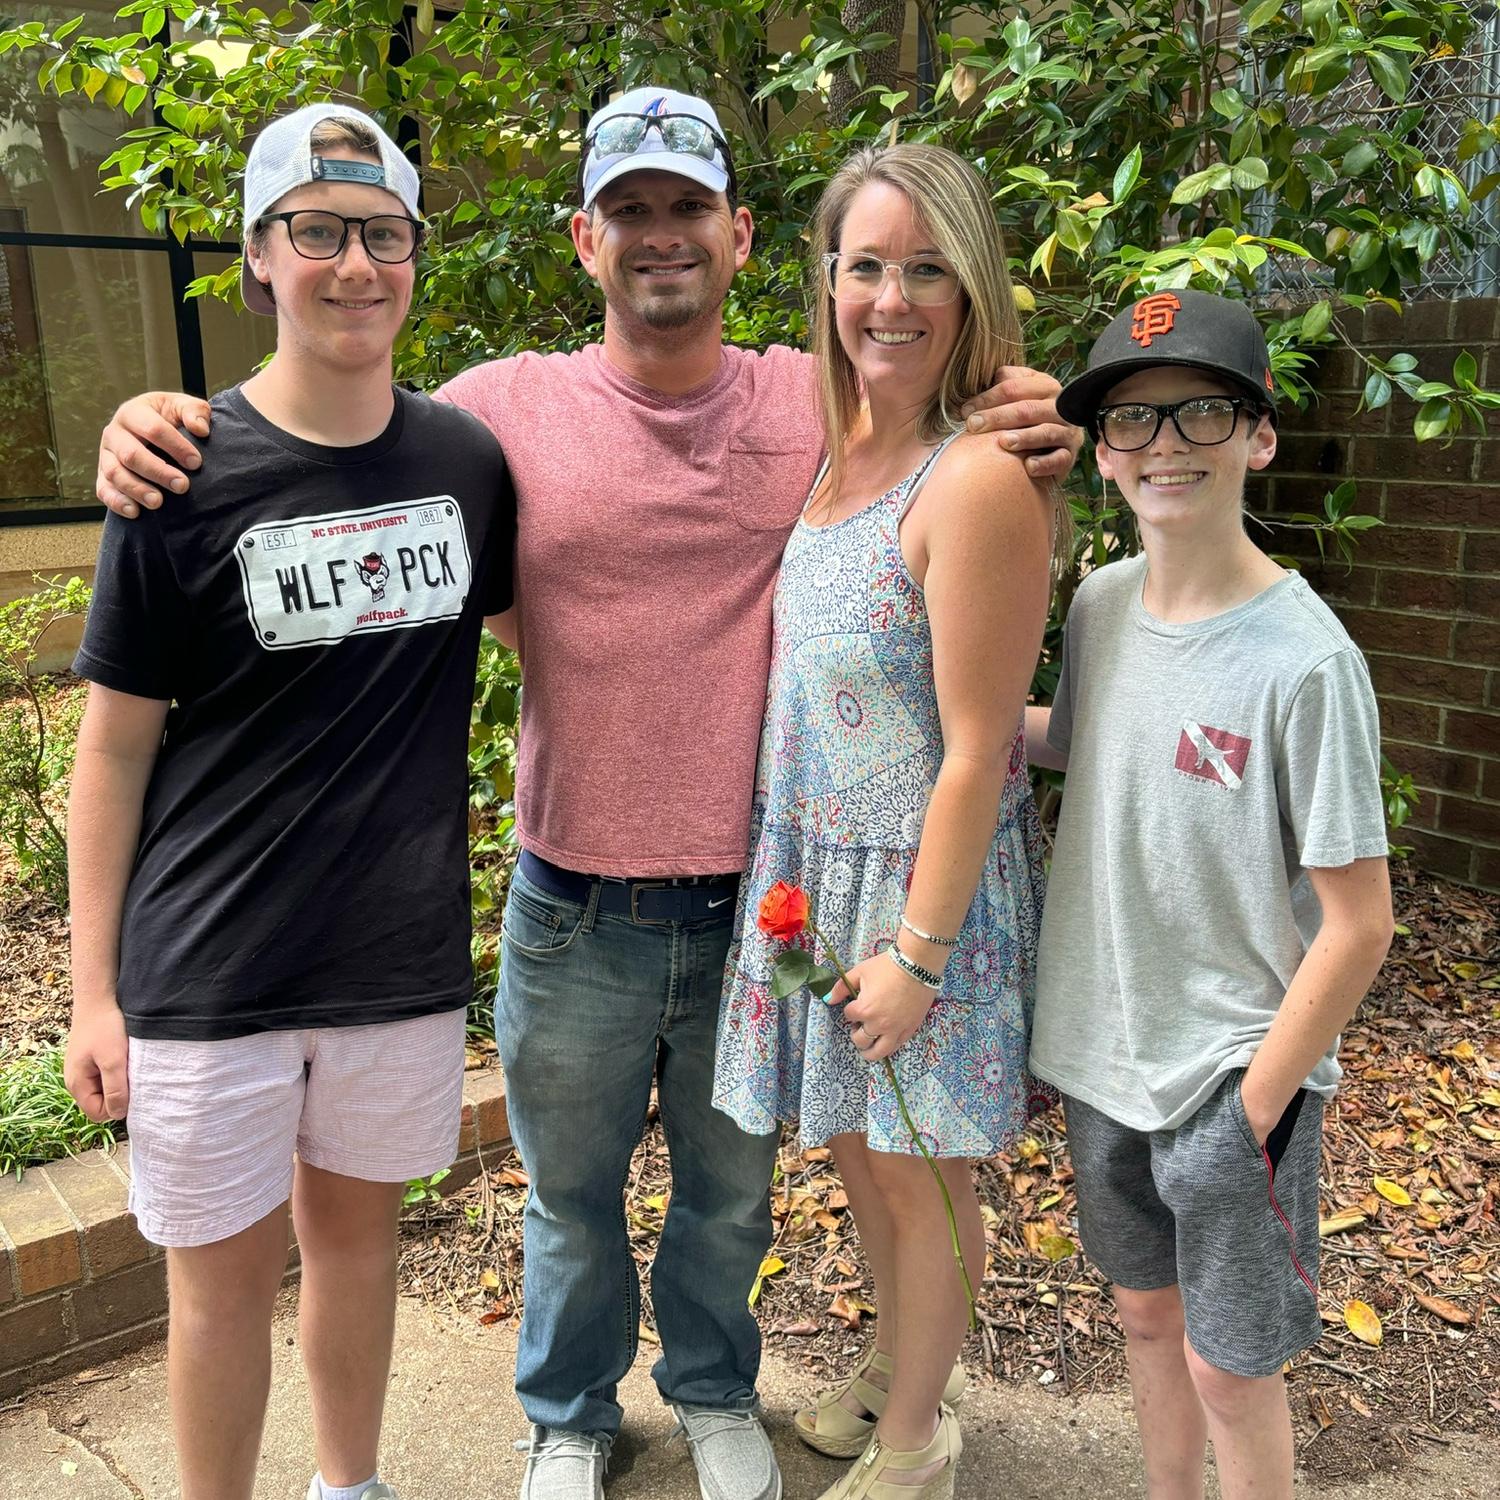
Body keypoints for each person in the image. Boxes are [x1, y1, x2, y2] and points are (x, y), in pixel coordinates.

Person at [91, 87, 1080, 1500]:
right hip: (570, 899)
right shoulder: (495, 415)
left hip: (755, 905)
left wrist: (1026, 410)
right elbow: (336, 434)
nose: (660, 235)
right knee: (567, 1198)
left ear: (743, 237)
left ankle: (714, 1390)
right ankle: (567, 1415)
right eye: (629, 211)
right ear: (584, 238)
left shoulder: (816, 403)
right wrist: (154, 422)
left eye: (688, 208)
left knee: (729, 1198)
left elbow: (930, 426)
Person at [63, 103, 516, 1500]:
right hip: (211, 972)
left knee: (361, 1254)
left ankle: (349, 1485)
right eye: (317, 233)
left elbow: (561, 628)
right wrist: (92, 994)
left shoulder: (467, 465)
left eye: (385, 235)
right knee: (216, 1297)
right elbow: (111, 751)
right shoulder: (178, 472)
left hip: (394, 963)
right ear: (260, 257)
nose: (356, 266)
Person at [713, 143, 1061, 1500]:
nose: (893, 298)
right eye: (866, 266)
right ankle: (903, 1367)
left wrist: (918, 956)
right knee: (862, 1156)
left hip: (921, 888)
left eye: (928, 269)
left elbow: (978, 750)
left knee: (921, 1176)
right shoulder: (836, 456)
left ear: (972, 291)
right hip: (821, 872)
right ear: (827, 281)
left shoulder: (971, 478)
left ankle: (921, 1440)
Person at [1024, 290, 1395, 1500]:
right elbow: (1077, 741)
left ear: (1260, 435)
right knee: (1144, 1317)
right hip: (1102, 1051)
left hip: (1233, 1070)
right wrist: (937, 718)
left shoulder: (1308, 661)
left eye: (1202, 413)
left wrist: (1255, 1105)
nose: (1165, 444)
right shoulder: (1098, 604)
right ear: (1102, 451)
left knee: (1232, 1370)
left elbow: (1360, 924)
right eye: (1132, 421)